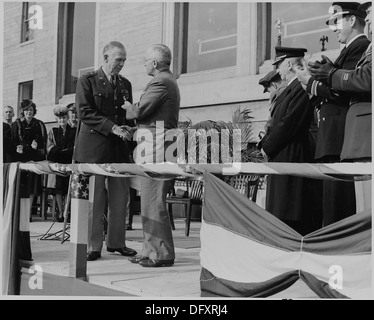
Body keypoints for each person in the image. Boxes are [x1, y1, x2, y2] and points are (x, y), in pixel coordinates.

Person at [296, 2, 370, 226]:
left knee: (338, 210)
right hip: (334, 137)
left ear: (351, 20)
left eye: (337, 21)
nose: (334, 28)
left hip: (341, 136)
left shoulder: (361, 47)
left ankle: (338, 258)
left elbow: (345, 91)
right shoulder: (348, 50)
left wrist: (312, 85)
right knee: (331, 208)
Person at [74, 40, 137, 261]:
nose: (121, 64)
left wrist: (130, 126)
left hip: (118, 150)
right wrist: (113, 128)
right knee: (95, 200)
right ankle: (93, 246)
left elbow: (126, 113)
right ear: (106, 57)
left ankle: (117, 242)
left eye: (124, 60)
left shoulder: (125, 84)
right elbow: (84, 112)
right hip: (95, 150)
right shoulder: (87, 81)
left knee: (120, 199)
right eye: (118, 59)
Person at [122, 44, 180, 267]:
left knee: (154, 201)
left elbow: (140, 111)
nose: (144, 63)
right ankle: (149, 249)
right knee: (148, 201)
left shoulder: (160, 81)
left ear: (155, 63)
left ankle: (161, 254)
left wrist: (128, 106)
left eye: (145, 60)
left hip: (156, 145)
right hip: (157, 142)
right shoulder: (168, 80)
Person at [258, 47, 321, 235]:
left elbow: (288, 124)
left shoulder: (300, 88)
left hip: (293, 155)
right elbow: (276, 124)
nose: (278, 71)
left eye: (279, 66)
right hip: (283, 156)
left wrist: (267, 146)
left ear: (289, 63)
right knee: (281, 212)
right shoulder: (289, 90)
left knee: (291, 212)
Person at [11, 99, 48, 219]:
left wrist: (37, 144)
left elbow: (43, 141)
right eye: (26, 110)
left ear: (34, 111)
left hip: (34, 159)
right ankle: (19, 211)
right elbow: (13, 140)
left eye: (31, 110)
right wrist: (17, 147)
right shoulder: (17, 123)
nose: (29, 112)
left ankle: (28, 213)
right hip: (20, 159)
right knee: (20, 185)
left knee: (32, 186)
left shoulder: (39, 124)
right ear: (23, 111)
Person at [46, 105, 77, 222]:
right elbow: (49, 148)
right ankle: (60, 211)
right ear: (56, 119)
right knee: (59, 188)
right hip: (58, 162)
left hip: (69, 162)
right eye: (59, 119)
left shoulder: (74, 131)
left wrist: (67, 151)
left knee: (68, 187)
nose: (62, 120)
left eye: (63, 118)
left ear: (67, 118)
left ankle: (67, 211)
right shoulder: (53, 131)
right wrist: (58, 151)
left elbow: (75, 147)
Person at [258, 70, 287, 141]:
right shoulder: (294, 89)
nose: (270, 94)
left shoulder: (278, 95)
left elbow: (271, 124)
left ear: (274, 85)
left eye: (269, 91)